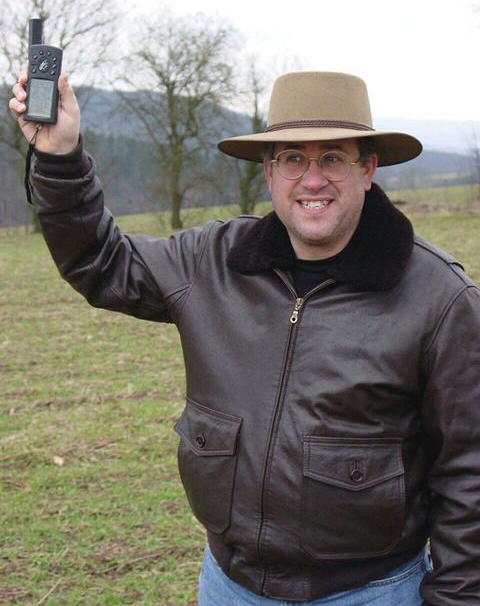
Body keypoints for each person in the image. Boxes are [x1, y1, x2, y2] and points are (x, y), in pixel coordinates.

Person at [10, 71, 480, 605]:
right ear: (269, 171)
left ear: (367, 169)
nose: (312, 180)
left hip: (372, 592)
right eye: (293, 159)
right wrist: (60, 156)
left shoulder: (440, 300)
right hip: (229, 586)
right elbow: (101, 261)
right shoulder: (212, 261)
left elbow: (471, 474)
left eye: (333, 158)